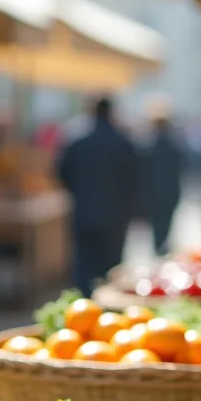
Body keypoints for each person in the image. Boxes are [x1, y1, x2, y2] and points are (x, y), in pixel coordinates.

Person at [57, 96, 139, 295]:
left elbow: (62, 174)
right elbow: (135, 179)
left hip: (84, 211)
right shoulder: (123, 143)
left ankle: (84, 304)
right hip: (116, 213)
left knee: (84, 262)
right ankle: (107, 307)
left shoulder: (77, 142)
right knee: (111, 265)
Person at [140, 108, 186, 256]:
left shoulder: (148, 145)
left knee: (156, 221)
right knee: (166, 220)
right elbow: (182, 166)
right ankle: (162, 243)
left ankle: (158, 244)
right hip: (170, 189)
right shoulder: (174, 144)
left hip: (152, 190)